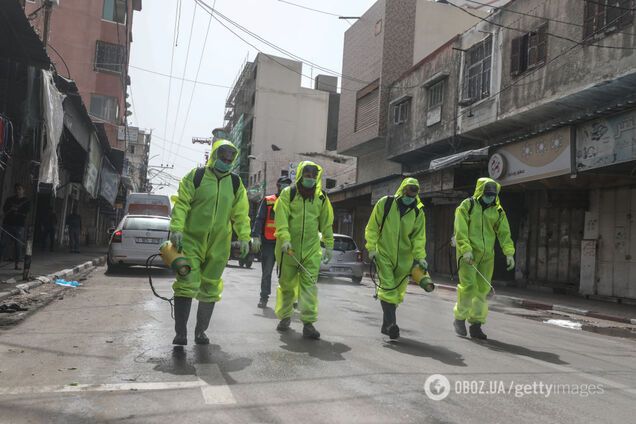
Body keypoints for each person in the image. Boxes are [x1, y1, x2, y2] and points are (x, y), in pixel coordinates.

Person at [169, 139, 251, 346]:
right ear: (214, 156)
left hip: (219, 244)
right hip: (190, 241)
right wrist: (177, 228)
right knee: (186, 284)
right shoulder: (196, 177)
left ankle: (200, 332)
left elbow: (241, 213)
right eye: (223, 157)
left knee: (210, 287)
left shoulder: (235, 183)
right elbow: (182, 204)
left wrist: (244, 237)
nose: (226, 161)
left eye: (230, 158)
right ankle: (181, 333)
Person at [273, 161, 334, 339]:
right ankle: (285, 317)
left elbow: (327, 223)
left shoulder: (321, 198)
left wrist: (329, 245)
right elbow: (281, 218)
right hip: (288, 250)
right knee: (287, 287)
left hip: (310, 250)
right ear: (300, 175)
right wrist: (284, 238)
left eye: (313, 176)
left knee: (309, 288)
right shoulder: (288, 194)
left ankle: (308, 323)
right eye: (307, 175)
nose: (310, 179)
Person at [364, 177, 427, 340]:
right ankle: (392, 325)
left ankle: (386, 326)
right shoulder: (386, 204)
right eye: (408, 192)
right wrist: (371, 248)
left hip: (405, 260)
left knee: (397, 294)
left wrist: (420, 257)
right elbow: (372, 227)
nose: (410, 197)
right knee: (388, 288)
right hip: (384, 254)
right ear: (402, 190)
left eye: (414, 194)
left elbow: (418, 237)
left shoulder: (418, 211)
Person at [453, 177, 515, 340]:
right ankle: (459, 319)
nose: (490, 197)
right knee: (469, 287)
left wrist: (509, 252)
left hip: (487, 256)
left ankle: (476, 325)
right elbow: (460, 228)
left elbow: (504, 232)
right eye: (487, 194)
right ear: (480, 191)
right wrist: (465, 249)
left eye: (492, 195)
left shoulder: (498, 211)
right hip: (468, 254)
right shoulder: (467, 206)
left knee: (482, 290)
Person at [251, 175, 292, 308]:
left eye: (288, 185)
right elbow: (260, 219)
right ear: (278, 186)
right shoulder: (268, 200)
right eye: (283, 184)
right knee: (267, 272)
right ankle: (264, 298)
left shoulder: (292, 201)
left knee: (286, 274)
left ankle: (288, 300)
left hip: (285, 243)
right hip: (269, 242)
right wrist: (256, 236)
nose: (285, 187)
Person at [0, 184, 30, 270]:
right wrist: (11, 209)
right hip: (7, 224)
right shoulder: (10, 199)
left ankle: (16, 265)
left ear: (23, 190)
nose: (18, 191)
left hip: (19, 225)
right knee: (3, 243)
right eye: (16, 189)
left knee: (18, 245)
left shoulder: (26, 200)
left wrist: (17, 210)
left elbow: (27, 211)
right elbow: (5, 209)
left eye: (20, 189)